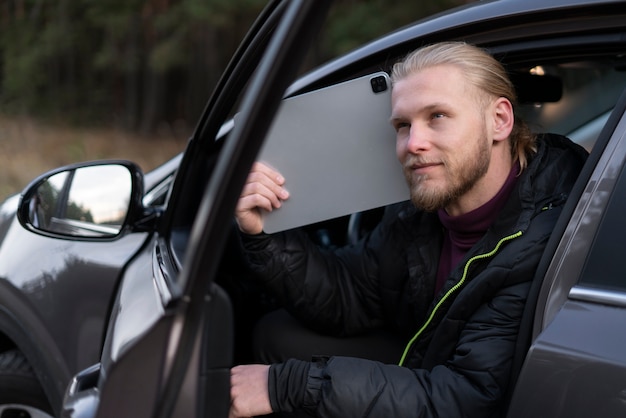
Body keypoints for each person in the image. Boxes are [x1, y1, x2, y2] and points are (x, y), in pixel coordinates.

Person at [229, 41, 588, 418]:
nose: (412, 144)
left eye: (437, 116)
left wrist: (288, 386)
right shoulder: (424, 208)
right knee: (275, 334)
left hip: (467, 398)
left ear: (499, 120)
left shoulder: (542, 234)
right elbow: (351, 295)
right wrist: (261, 234)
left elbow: (467, 399)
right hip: (431, 360)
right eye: (403, 125)